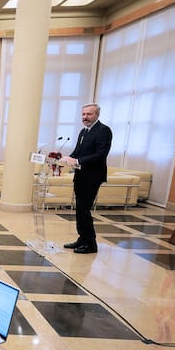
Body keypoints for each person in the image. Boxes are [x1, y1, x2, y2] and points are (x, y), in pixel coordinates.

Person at [60, 103, 113, 254]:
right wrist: (67, 158)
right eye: (83, 114)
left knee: (84, 210)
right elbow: (78, 151)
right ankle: (82, 238)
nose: (85, 117)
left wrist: (76, 161)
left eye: (89, 114)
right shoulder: (84, 131)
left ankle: (91, 243)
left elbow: (100, 154)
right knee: (79, 210)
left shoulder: (104, 131)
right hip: (81, 176)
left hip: (92, 177)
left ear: (97, 115)